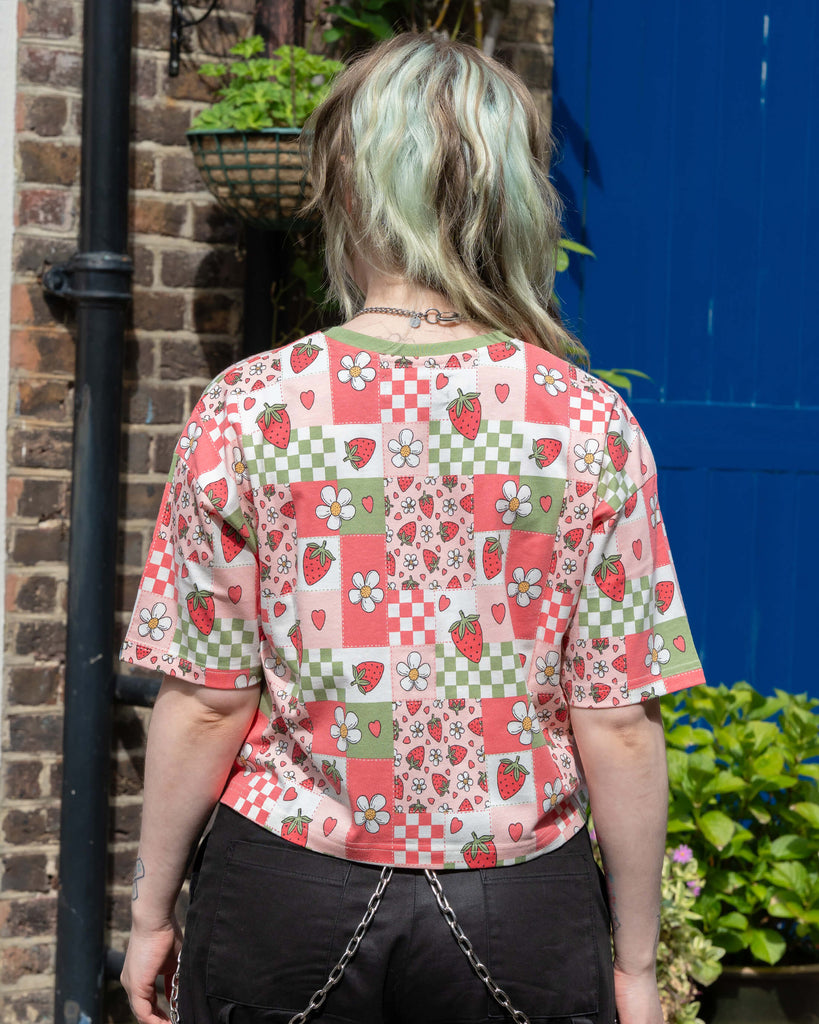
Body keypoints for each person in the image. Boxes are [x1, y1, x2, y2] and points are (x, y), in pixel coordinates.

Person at [120, 32, 705, 1024]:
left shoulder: (251, 406)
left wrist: (148, 911)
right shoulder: (587, 422)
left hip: (287, 890)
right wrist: (639, 964)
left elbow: (208, 698)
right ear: (510, 198)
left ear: (347, 187)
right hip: (518, 896)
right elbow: (616, 719)